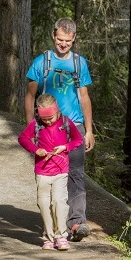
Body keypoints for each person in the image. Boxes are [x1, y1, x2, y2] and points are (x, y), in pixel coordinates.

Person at [24, 18, 94, 241]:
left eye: (68, 41)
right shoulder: (41, 62)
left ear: (74, 39)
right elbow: (30, 96)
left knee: (75, 174)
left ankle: (77, 223)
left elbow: (84, 97)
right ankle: (55, 222)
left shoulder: (79, 63)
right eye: (60, 39)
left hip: (74, 126)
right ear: (54, 36)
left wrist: (89, 130)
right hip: (46, 128)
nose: (63, 44)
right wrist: (30, 126)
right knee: (50, 175)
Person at [17, 93, 82, 251]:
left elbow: (77, 139)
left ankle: (61, 235)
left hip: (61, 170)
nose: (47, 122)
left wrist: (65, 147)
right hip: (42, 171)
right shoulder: (36, 124)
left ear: (57, 111)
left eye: (50, 118)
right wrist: (35, 149)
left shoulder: (66, 123)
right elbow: (23, 138)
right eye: (44, 119)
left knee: (59, 202)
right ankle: (48, 236)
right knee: (44, 203)